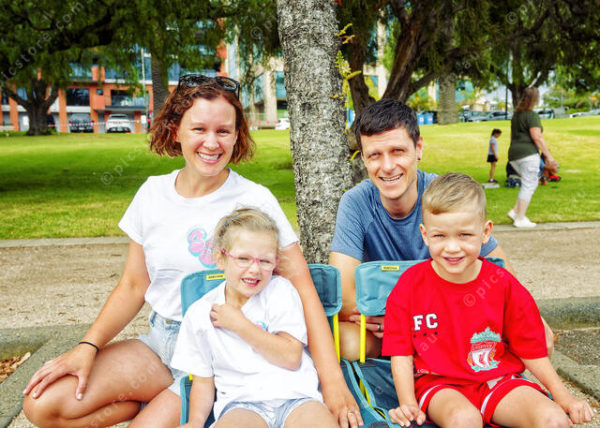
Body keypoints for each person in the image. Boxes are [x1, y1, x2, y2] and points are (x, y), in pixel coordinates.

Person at [23, 75, 362, 428]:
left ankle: (167, 408)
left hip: (221, 353)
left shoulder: (255, 199)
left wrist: (333, 383)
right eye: (199, 129)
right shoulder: (152, 194)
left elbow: (303, 288)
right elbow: (133, 286)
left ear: (237, 135)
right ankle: (145, 402)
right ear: (175, 131)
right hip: (161, 345)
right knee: (41, 405)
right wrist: (87, 347)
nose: (211, 143)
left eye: (223, 131)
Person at [328, 98, 535, 362]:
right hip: (385, 329)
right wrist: (395, 325)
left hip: (449, 322)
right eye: (375, 155)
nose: (387, 166)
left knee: (532, 333)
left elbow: (503, 275)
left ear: (418, 148)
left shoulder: (445, 195)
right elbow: (343, 295)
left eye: (397, 151)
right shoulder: (356, 202)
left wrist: (413, 322)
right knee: (342, 341)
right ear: (364, 160)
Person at [382, 173, 593, 427]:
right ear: (425, 235)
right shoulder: (409, 286)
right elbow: (401, 353)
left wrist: (564, 398)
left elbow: (531, 349)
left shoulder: (502, 283)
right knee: (465, 420)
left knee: (554, 420)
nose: (452, 247)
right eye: (440, 236)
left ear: (485, 232)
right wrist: (407, 403)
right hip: (439, 383)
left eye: (464, 235)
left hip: (497, 378)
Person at [173, 208, 337, 428]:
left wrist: (240, 325)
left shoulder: (280, 291)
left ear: (275, 262)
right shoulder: (199, 314)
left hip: (297, 398)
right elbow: (203, 382)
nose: (254, 269)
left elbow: (291, 357)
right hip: (242, 404)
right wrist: (195, 421)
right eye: (243, 259)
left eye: (265, 261)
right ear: (220, 259)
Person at [507, 87, 558, 228]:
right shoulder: (531, 116)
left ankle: (515, 211)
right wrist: (549, 156)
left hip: (514, 154)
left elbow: (511, 137)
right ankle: (520, 218)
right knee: (529, 184)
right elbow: (537, 136)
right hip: (528, 154)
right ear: (536, 99)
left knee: (531, 182)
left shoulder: (516, 116)